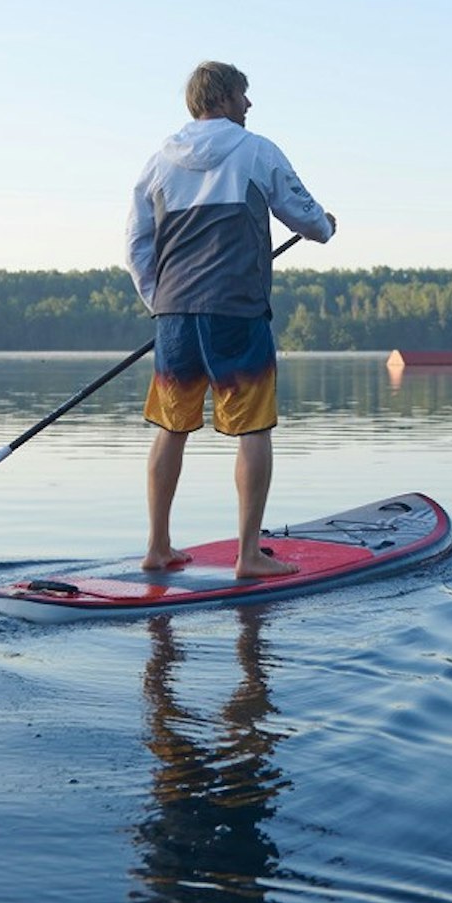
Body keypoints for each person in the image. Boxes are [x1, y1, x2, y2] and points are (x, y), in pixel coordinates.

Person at [125, 61, 336, 579]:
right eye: (243, 95)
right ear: (221, 98)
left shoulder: (157, 163)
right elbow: (306, 216)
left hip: (174, 316)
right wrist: (325, 226)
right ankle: (248, 556)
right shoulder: (256, 150)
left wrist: (161, 300)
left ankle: (157, 547)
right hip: (237, 310)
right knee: (254, 428)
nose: (248, 105)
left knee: (171, 428)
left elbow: (136, 246)